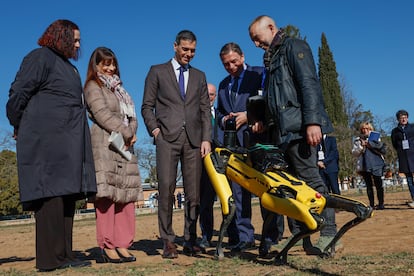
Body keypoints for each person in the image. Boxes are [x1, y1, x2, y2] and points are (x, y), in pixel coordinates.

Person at [6, 19, 97, 272]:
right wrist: (19, 125)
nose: (79, 45)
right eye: (75, 39)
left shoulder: (69, 68)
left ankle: (64, 254)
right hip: (46, 142)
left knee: (67, 196)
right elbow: (18, 93)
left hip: (68, 143)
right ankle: (49, 259)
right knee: (51, 197)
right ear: (61, 36)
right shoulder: (40, 57)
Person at [248, 15, 340, 254]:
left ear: (271, 27)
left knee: (312, 181)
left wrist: (312, 122)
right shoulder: (271, 59)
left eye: (257, 39)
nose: (256, 44)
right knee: (292, 186)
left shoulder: (294, 47)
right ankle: (302, 233)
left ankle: (330, 233)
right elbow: (275, 98)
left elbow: (308, 83)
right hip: (281, 134)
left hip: (300, 129)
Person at [141, 30, 212, 258]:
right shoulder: (157, 72)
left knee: (194, 194)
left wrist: (206, 139)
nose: (189, 54)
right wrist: (155, 130)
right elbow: (146, 106)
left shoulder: (200, 76)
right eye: (185, 49)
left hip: (193, 141)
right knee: (166, 190)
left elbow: (204, 110)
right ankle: (168, 241)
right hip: (166, 140)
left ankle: (190, 240)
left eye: (192, 50)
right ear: (175, 46)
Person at [216, 42, 280, 255]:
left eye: (234, 61)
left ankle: (271, 236)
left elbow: (269, 101)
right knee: (239, 191)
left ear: (242, 57)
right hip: (235, 146)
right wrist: (225, 119)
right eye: (226, 64)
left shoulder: (259, 74)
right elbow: (219, 114)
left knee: (265, 187)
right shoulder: (224, 85)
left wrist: (249, 115)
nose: (231, 66)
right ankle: (245, 237)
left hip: (259, 141)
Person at [84, 47, 143, 263]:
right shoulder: (93, 86)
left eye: (113, 63)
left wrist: (132, 131)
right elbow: (101, 114)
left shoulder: (121, 89)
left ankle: (123, 244)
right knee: (107, 197)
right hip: (105, 144)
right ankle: (107, 245)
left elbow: (132, 116)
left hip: (125, 146)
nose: (110, 68)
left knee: (126, 196)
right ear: (96, 66)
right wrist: (126, 131)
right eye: (105, 64)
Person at [199, 83, 220, 251]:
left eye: (212, 95)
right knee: (205, 203)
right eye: (206, 94)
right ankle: (206, 236)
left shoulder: (222, 114)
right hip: (204, 166)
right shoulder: (196, 116)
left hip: (222, 164)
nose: (209, 98)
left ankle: (235, 236)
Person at [353, 122, 386, 209]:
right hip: (364, 165)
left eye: (367, 129)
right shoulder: (357, 140)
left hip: (376, 163)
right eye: (363, 129)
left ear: (371, 129)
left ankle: (381, 203)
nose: (365, 130)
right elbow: (354, 153)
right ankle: (371, 204)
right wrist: (361, 146)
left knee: (379, 184)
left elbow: (381, 149)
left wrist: (370, 144)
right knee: (369, 186)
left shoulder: (376, 138)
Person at [391, 110, 414, 208]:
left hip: (413, 155)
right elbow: (395, 144)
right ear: (398, 119)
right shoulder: (395, 131)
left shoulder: (413, 127)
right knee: (409, 180)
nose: (403, 119)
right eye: (401, 117)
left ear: (407, 118)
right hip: (404, 157)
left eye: (405, 117)